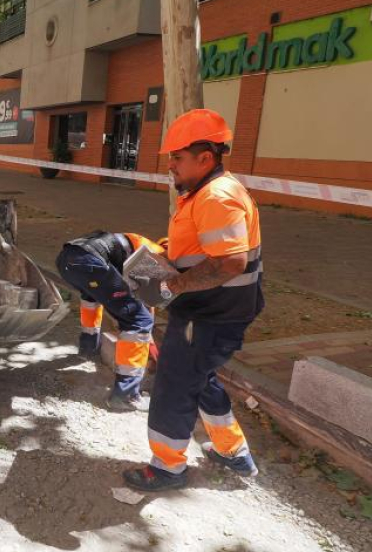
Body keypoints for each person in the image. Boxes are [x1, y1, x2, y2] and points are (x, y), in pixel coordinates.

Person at [123, 108, 265, 492]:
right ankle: (234, 454)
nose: (170, 165)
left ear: (206, 158)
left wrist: (173, 286)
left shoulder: (216, 197)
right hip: (216, 311)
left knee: (173, 384)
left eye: (177, 158)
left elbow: (231, 262)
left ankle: (167, 468)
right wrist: (166, 254)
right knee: (198, 379)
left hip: (211, 314)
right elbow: (206, 249)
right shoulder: (206, 191)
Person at [55, 231, 163, 412]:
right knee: (138, 320)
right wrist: (145, 326)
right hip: (90, 263)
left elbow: (138, 294)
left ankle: (88, 349)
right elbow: (142, 298)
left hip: (68, 259)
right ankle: (126, 396)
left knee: (92, 297)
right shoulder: (157, 256)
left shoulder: (141, 242)